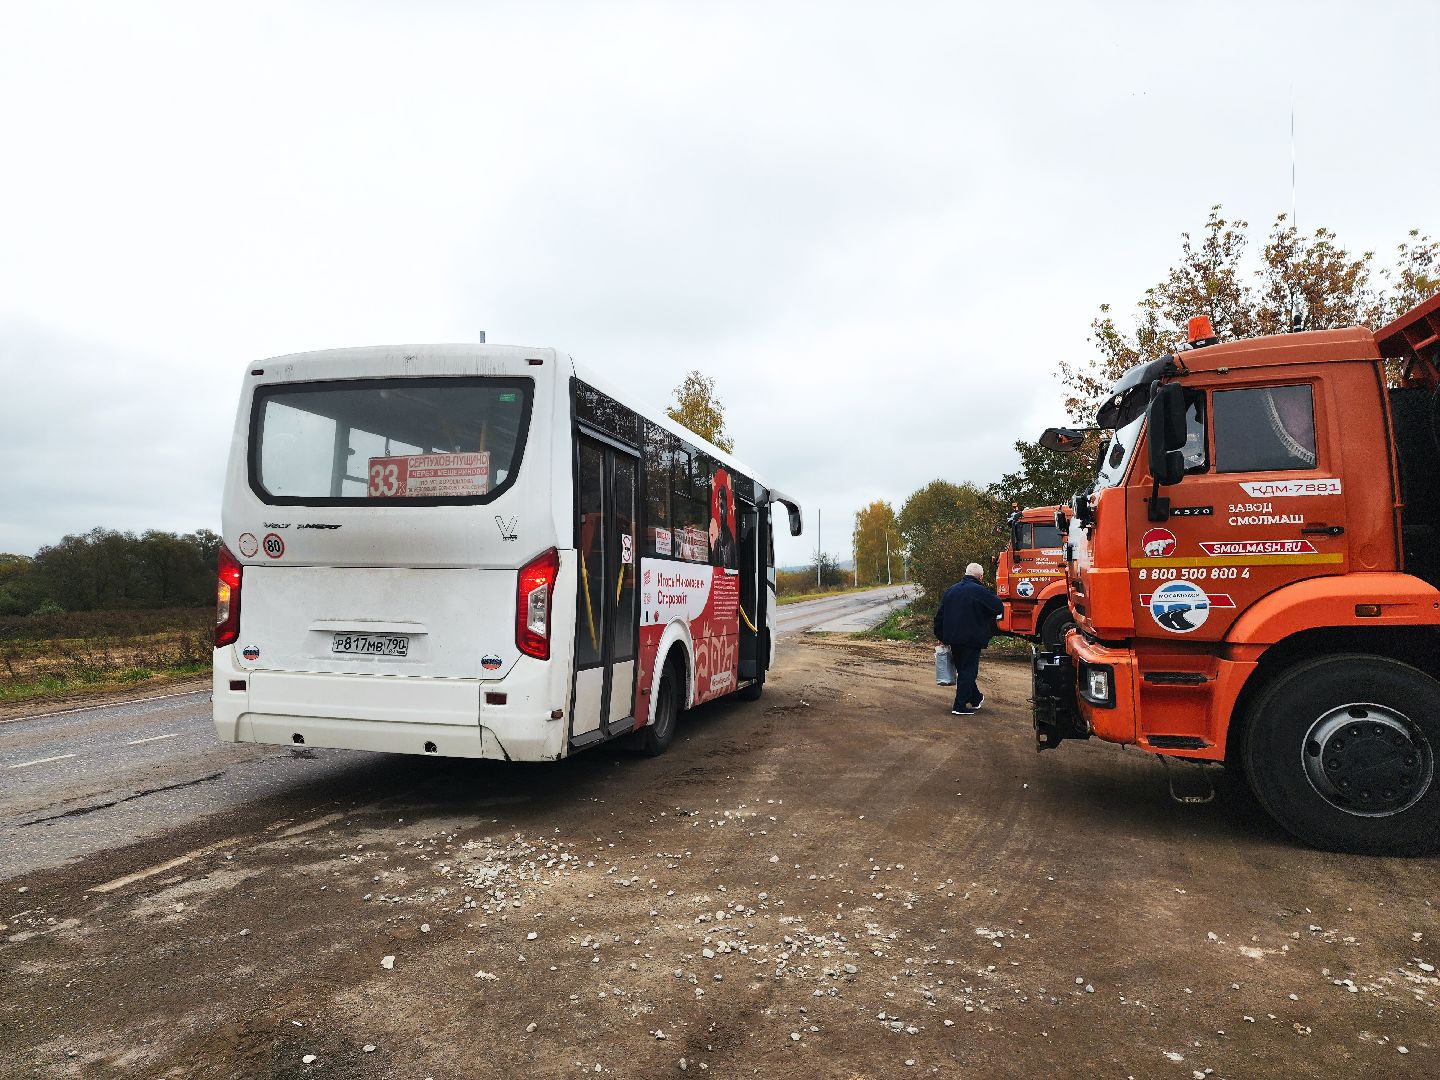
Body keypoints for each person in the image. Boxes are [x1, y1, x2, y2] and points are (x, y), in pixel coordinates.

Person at [933, 562, 1004, 716]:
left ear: (966, 573)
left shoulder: (950, 591)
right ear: (981, 576)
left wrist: (940, 636)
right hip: (972, 638)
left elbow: (939, 616)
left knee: (964, 670)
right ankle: (959, 706)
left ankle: (976, 698)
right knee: (968, 671)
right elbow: (998, 606)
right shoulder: (980, 591)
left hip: (953, 639)